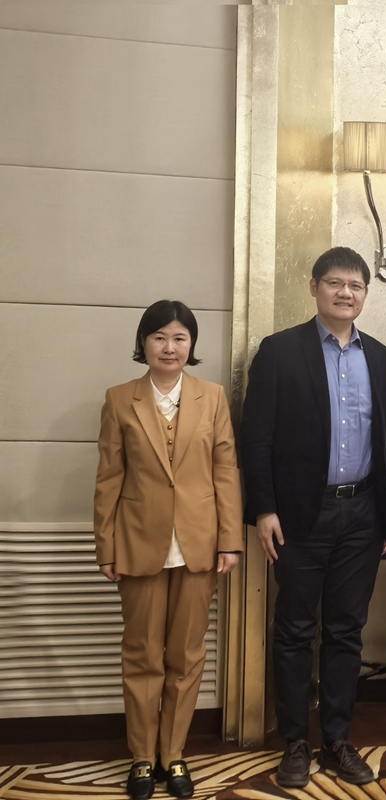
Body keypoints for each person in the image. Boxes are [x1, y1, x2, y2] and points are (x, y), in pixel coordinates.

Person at [240, 247, 386, 789]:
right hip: (298, 515)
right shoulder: (280, 351)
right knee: (294, 629)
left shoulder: (381, 358)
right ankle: (295, 741)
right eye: (335, 283)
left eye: (355, 286)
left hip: (363, 514)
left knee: (346, 631)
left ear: (366, 294)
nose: (345, 293)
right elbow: (256, 438)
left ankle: (337, 739)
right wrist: (263, 508)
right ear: (314, 287)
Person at [94, 300, 242, 800]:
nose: (169, 347)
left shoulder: (212, 397)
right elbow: (108, 478)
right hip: (138, 543)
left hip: (199, 545)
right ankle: (141, 757)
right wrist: (106, 545)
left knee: (187, 654)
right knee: (142, 654)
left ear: (191, 344)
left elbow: (226, 471)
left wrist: (230, 540)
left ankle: (173, 754)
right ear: (144, 343)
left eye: (180, 337)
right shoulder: (120, 399)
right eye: (159, 337)